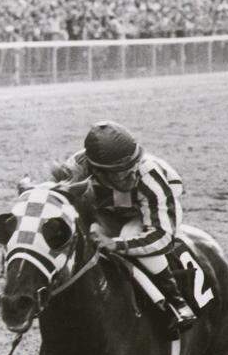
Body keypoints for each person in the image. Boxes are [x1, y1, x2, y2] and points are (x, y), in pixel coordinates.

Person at [50, 121, 197, 334]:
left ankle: (176, 302)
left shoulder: (149, 175)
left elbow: (161, 236)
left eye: (133, 165)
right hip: (107, 207)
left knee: (129, 233)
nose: (131, 174)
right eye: (120, 171)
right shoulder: (76, 170)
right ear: (97, 170)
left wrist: (117, 244)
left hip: (147, 209)